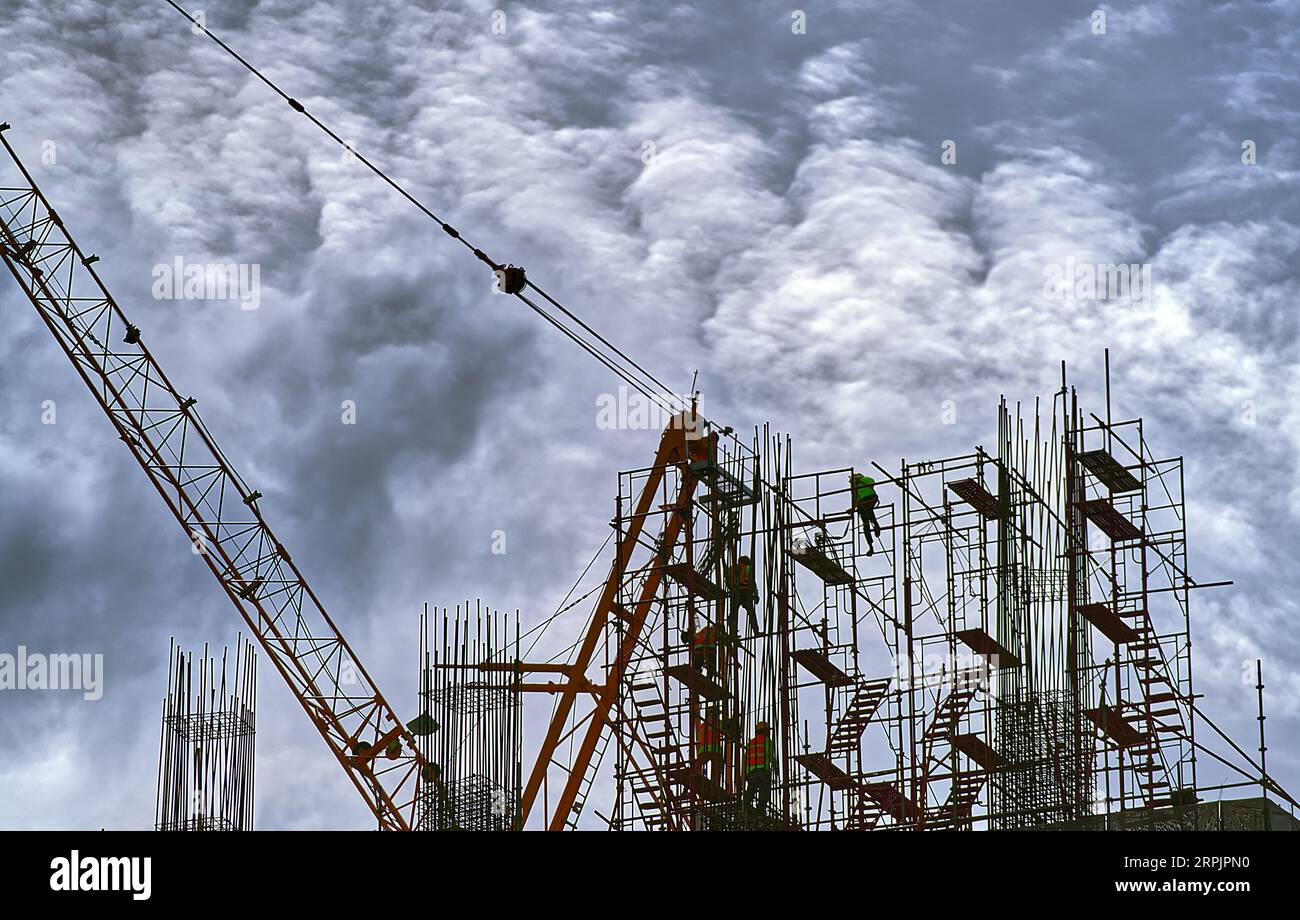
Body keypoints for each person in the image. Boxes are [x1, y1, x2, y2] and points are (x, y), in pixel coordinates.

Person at [742, 721, 776, 813]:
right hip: (763, 770)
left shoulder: (751, 742)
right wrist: (775, 767)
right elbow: (770, 756)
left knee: (751, 788)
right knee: (764, 790)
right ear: (765, 731)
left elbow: (744, 759)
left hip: (751, 772)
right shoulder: (767, 740)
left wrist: (744, 774)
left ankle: (746, 805)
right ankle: (761, 809)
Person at [850, 472, 883, 555]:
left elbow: (854, 498)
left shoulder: (854, 485)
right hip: (872, 498)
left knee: (865, 524)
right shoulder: (867, 479)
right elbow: (873, 482)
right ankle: (876, 525)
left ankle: (871, 547)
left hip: (862, 503)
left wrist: (853, 509)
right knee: (869, 511)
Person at [728, 554, 759, 634]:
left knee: (733, 614)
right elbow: (752, 583)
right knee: (751, 613)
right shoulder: (748, 568)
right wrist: (756, 595)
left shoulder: (732, 568)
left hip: (735, 593)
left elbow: (727, 580)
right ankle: (756, 631)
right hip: (745, 592)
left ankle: (732, 633)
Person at [693, 706, 724, 779]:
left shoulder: (703, 725)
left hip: (703, 750)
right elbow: (728, 729)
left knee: (697, 768)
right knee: (716, 771)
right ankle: (715, 785)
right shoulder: (719, 723)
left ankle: (696, 777)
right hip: (715, 750)